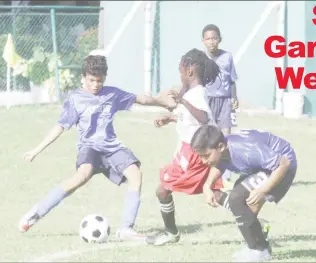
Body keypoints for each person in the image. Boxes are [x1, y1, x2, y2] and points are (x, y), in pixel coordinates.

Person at [18, 55, 177, 241]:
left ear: (104, 78)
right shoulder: (76, 98)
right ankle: (36, 213)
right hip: (90, 147)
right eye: (91, 80)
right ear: (84, 77)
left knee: (136, 175)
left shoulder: (112, 94)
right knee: (81, 177)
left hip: (112, 147)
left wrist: (162, 102)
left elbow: (139, 99)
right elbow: (60, 126)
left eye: (99, 81)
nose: (95, 85)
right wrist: (37, 150)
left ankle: (126, 229)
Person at [145, 48, 225, 246]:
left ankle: (171, 233)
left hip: (195, 154)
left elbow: (204, 118)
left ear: (190, 71)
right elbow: (190, 120)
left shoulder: (196, 94)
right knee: (212, 193)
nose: (180, 75)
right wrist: (171, 118)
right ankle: (248, 211)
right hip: (189, 151)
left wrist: (182, 101)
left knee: (163, 191)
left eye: (181, 70)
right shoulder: (191, 93)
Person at [190, 125, 297, 262]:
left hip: (281, 167)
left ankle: (259, 250)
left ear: (221, 147)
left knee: (236, 198)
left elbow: (284, 163)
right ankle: (256, 241)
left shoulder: (246, 150)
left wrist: (262, 190)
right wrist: (207, 185)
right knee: (244, 206)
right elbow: (220, 162)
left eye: (206, 156)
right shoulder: (223, 150)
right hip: (263, 166)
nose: (203, 161)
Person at [202, 24, 238, 136]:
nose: (211, 42)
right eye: (208, 39)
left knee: (226, 133)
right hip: (207, 100)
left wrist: (234, 97)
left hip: (225, 101)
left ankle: (226, 153)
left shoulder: (227, 57)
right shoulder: (201, 58)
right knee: (207, 132)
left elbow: (232, 80)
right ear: (203, 41)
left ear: (219, 39)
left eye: (214, 38)